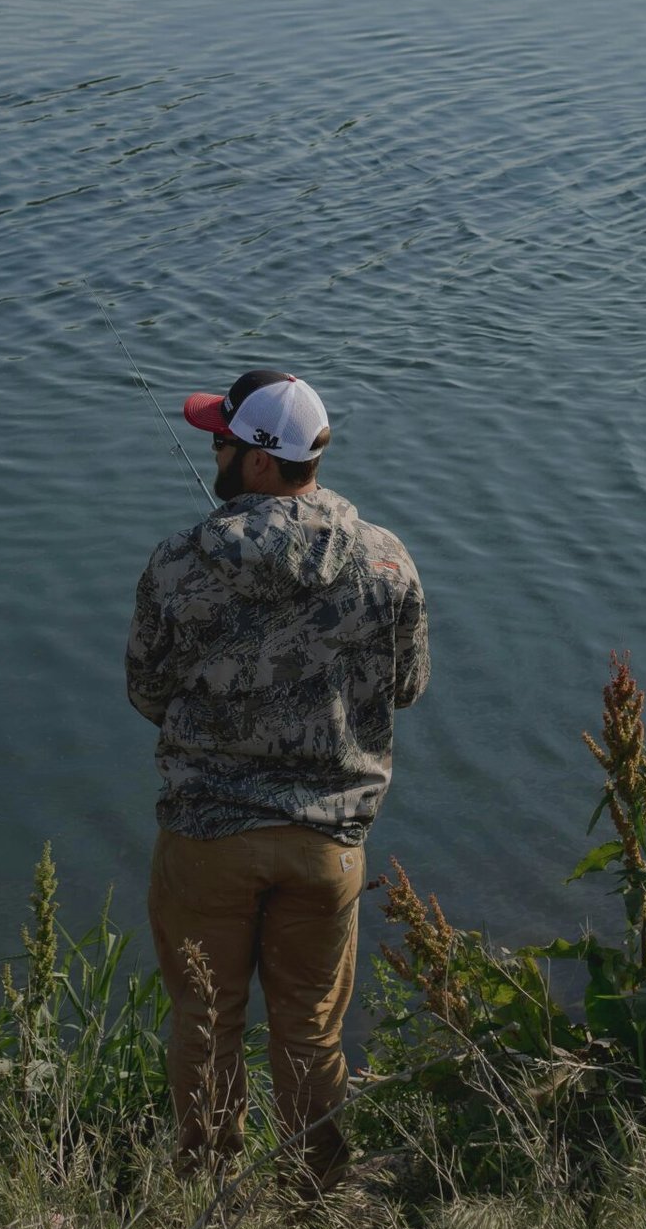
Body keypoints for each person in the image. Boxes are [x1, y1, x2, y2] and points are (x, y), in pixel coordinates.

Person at [125, 366, 429, 1186]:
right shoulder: (390, 563)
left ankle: (210, 1205)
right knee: (310, 1035)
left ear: (259, 461)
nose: (214, 449)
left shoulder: (177, 565)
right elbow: (407, 687)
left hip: (207, 842)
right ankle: (316, 1202)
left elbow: (146, 693)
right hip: (327, 849)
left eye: (222, 438)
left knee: (208, 1023)